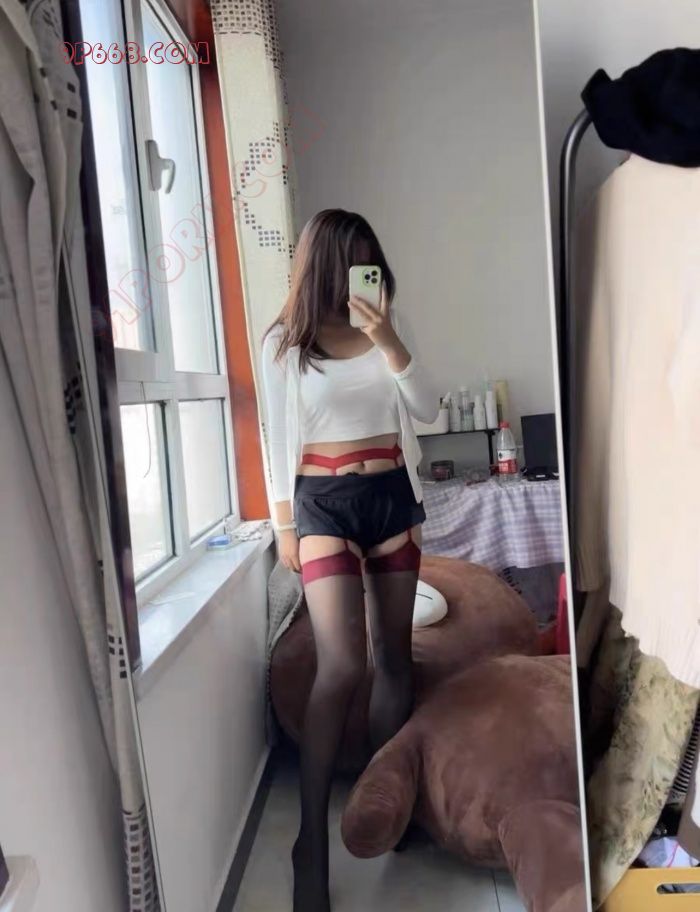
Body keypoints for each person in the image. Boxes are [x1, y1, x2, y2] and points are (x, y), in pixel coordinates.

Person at [261, 208, 438, 912]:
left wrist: (388, 339)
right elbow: (276, 438)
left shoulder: (388, 326)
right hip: (323, 505)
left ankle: (381, 803)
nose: (365, 270)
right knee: (343, 665)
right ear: (324, 265)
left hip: (392, 496)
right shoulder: (286, 343)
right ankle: (310, 842)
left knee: (395, 659)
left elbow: (426, 408)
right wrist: (284, 525)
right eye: (353, 258)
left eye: (372, 257)